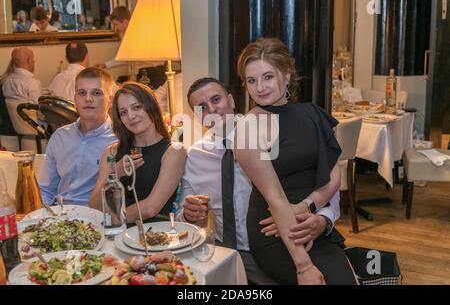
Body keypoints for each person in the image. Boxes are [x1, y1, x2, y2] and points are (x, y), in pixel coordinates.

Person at [176, 77, 342, 284]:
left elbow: (325, 186)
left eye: (216, 99)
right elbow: (183, 216)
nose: (212, 109)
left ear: (231, 100)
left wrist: (324, 218)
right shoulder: (194, 157)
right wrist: (189, 214)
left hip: (279, 247)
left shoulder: (272, 139)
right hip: (224, 254)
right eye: (202, 107)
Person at [234, 37, 358, 285]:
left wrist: (308, 207)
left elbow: (334, 175)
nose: (260, 87)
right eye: (251, 80)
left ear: (287, 75)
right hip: (275, 231)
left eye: (268, 77)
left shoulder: (311, 114)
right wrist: (303, 266)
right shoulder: (247, 128)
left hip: (311, 222)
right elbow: (276, 198)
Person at [89, 82, 186, 223]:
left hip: (155, 236)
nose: (131, 116)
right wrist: (114, 173)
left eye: (136, 107)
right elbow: (94, 207)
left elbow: (151, 208)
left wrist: (111, 220)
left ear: (151, 106)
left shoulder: (174, 151)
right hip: (116, 234)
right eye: (123, 112)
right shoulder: (111, 152)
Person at [38, 67, 117, 205]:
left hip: (100, 217)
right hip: (60, 216)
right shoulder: (59, 137)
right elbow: (46, 190)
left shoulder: (119, 139)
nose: (88, 98)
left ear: (110, 100)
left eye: (96, 93)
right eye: (82, 93)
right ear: (75, 99)